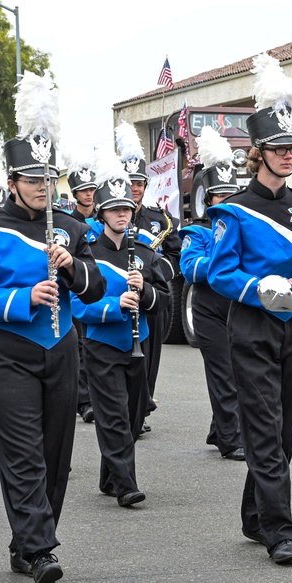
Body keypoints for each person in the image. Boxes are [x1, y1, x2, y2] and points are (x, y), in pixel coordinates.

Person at [0, 71, 105, 583]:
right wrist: (23, 298)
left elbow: (94, 287)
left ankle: (27, 541)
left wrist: (69, 268)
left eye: (49, 179)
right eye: (33, 179)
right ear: (14, 181)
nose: (43, 188)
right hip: (5, 353)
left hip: (61, 349)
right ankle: (42, 549)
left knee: (55, 457)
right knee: (22, 455)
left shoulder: (72, 227)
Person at [207, 54, 292, 565]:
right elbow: (220, 273)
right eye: (280, 148)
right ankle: (279, 529)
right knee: (265, 429)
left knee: (286, 430)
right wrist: (266, 285)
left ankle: (255, 512)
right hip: (251, 327)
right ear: (261, 152)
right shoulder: (233, 211)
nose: (289, 155)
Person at [72, 162, 169, 506]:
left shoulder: (143, 250)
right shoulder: (86, 250)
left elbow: (163, 300)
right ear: (101, 211)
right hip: (101, 344)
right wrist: (116, 305)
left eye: (126, 208)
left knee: (132, 415)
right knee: (112, 414)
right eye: (114, 208)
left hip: (136, 342)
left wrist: (143, 293)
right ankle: (126, 484)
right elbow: (77, 305)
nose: (122, 214)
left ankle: (109, 476)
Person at [178, 126, 245, 461]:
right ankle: (231, 439)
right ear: (208, 199)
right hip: (208, 308)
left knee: (241, 370)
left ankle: (221, 428)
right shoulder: (197, 231)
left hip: (237, 304)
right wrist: (223, 259)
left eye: (231, 194)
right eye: (221, 196)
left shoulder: (243, 226)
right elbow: (190, 269)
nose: (227, 201)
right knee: (224, 372)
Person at [116, 122, 179, 430]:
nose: (136, 187)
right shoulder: (112, 216)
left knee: (149, 356)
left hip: (151, 294)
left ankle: (142, 405)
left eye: (140, 182)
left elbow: (175, 255)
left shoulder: (160, 219)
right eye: (130, 182)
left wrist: (160, 267)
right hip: (120, 293)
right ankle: (125, 408)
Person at [65, 154, 98, 423]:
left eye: (92, 190)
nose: (89, 194)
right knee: (78, 346)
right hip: (76, 290)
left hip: (98, 286)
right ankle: (84, 400)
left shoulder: (104, 218)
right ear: (75, 194)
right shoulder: (69, 224)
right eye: (84, 190)